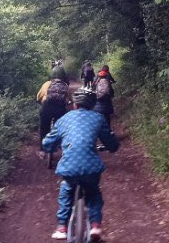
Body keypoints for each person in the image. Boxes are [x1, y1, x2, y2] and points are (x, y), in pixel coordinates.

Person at [42, 87, 119, 241]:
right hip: (91, 168)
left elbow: (47, 143)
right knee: (94, 194)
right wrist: (112, 147)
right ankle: (96, 226)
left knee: (66, 191)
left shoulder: (63, 120)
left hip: (69, 167)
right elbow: (111, 142)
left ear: (75, 105)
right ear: (92, 105)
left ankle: (62, 227)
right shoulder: (98, 118)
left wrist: (52, 146)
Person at [36, 65, 71, 142]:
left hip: (47, 107)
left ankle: (43, 149)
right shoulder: (65, 85)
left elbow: (38, 96)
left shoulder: (47, 84)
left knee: (44, 127)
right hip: (60, 108)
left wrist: (39, 101)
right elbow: (69, 99)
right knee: (60, 126)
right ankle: (57, 143)